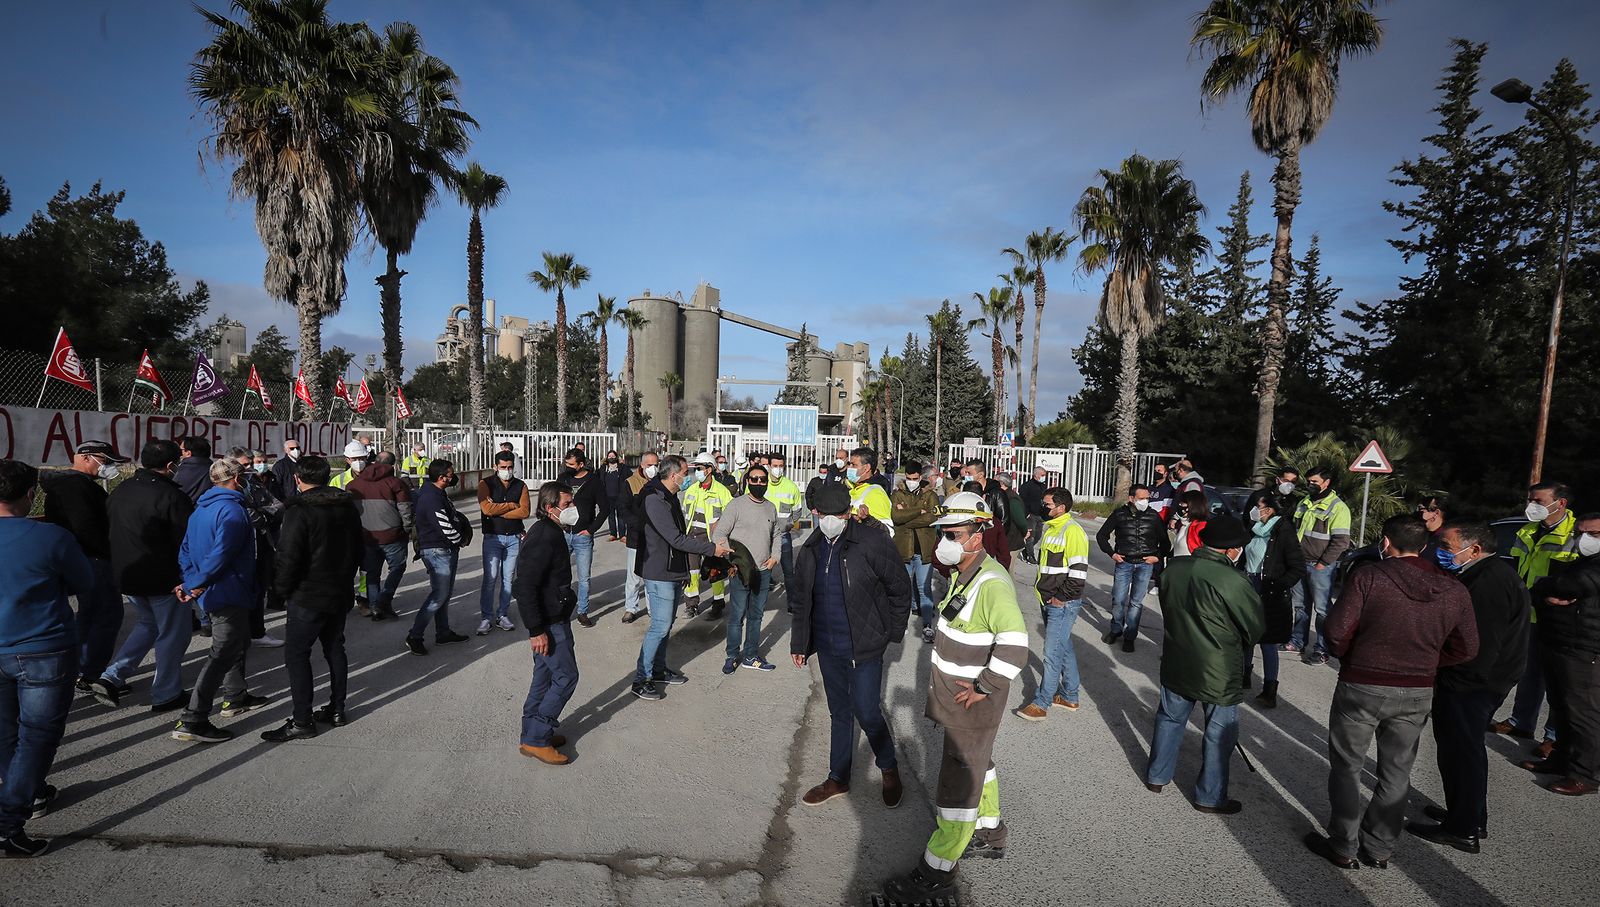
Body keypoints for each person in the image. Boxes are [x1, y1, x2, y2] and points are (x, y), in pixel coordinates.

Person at [1306, 515, 1477, 871]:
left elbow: (1336, 632)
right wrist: (1427, 662)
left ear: (1385, 542)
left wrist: (1354, 656)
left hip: (1363, 684)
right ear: (1425, 547)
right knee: (1397, 771)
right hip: (1416, 689)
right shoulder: (1453, 588)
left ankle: (1343, 844)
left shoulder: (1369, 577)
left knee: (1347, 766)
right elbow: (1467, 647)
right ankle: (1380, 847)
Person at [881, 491, 1026, 902]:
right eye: (943, 532)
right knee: (981, 762)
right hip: (958, 701)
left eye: (955, 533)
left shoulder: (992, 583)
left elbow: (1016, 647)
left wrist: (983, 687)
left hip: (972, 704)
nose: (945, 541)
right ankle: (989, 829)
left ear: (978, 536)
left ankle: (937, 870)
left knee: (958, 782)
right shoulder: (966, 573)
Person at [1405, 521, 1528, 851]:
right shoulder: (1481, 574)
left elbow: (1479, 646)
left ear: (1474, 549)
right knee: (1462, 750)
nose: (1441, 552)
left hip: (1472, 682)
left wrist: (1451, 678)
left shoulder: (1486, 583)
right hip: (1477, 679)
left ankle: (1463, 828)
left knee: (1462, 751)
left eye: (1447, 546)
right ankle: (1468, 815)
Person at [792, 481, 912, 808]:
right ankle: (838, 777)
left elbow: (900, 590)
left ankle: (888, 767)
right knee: (839, 711)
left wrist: (891, 634)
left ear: (847, 514)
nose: (828, 519)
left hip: (864, 645)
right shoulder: (812, 548)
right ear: (815, 514)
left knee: (867, 710)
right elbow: (801, 600)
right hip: (829, 647)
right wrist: (799, 642)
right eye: (822, 514)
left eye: (836, 514)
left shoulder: (872, 542)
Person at [0, 459, 93, 857]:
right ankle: (8, 823)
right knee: (37, 736)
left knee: (6, 730)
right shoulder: (50, 538)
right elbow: (84, 583)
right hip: (43, 647)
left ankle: (29, 790)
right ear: (29, 494)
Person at [1142, 516, 1263, 814]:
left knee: (1169, 718)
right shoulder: (1234, 580)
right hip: (1218, 666)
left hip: (1178, 655)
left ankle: (1157, 776)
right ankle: (1209, 796)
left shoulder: (1174, 569)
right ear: (1232, 550)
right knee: (1218, 731)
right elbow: (1255, 628)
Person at [260, 455, 364, 742]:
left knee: (297, 654)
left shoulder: (299, 511)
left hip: (308, 595)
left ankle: (302, 719)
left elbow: (288, 556)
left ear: (296, 479)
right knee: (334, 648)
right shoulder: (346, 506)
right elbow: (359, 547)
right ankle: (337, 709)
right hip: (339, 590)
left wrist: (280, 593)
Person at [87, 441, 193, 712]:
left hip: (128, 574)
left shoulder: (122, 490)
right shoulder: (171, 497)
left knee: (148, 626)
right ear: (171, 466)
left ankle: (112, 676)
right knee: (173, 635)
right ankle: (167, 693)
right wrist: (187, 577)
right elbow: (185, 541)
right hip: (165, 579)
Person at [171, 458, 270, 743]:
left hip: (213, 591)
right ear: (237, 480)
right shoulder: (234, 512)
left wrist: (192, 582)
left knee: (237, 643)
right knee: (223, 652)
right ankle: (193, 718)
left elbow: (186, 550)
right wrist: (194, 584)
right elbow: (221, 555)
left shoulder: (200, 510)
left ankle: (236, 695)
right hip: (228, 591)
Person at [1491, 481, 1579, 759]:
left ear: (1560, 503)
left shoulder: (1576, 534)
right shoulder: (1527, 530)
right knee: (1528, 673)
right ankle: (1521, 723)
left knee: (1557, 680)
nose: (1532, 506)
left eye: (1539, 501)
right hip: (1528, 614)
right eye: (1531, 500)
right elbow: (1516, 568)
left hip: (1560, 619)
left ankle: (1552, 736)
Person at [633, 455, 729, 700]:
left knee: (666, 626)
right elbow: (675, 539)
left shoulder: (670, 497)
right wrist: (711, 549)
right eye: (685, 472)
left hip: (672, 570)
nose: (688, 477)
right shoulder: (654, 499)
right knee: (660, 626)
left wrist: (685, 570)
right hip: (658, 571)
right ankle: (641, 679)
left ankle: (658, 669)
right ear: (673, 474)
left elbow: (679, 537)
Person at [1522, 512, 1600, 796]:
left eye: (1593, 534)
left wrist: (1546, 587)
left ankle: (1586, 775)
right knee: (1561, 708)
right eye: (1580, 533)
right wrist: (1546, 590)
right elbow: (1545, 587)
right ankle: (1561, 759)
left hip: (1584, 649)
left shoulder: (1592, 569)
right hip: (1559, 642)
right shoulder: (1580, 562)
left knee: (1584, 714)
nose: (1583, 540)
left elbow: (1567, 586)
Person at [40, 440, 126, 694]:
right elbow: (86, 528)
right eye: (106, 461)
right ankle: (92, 674)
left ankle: (80, 669)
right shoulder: (75, 488)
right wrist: (107, 552)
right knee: (106, 614)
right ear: (86, 458)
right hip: (93, 559)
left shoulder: (74, 486)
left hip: (83, 558)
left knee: (89, 616)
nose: (108, 467)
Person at [515, 482, 580, 766]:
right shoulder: (543, 536)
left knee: (543, 676)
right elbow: (525, 586)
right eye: (567, 505)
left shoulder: (552, 532)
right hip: (549, 623)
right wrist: (536, 631)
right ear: (549, 508)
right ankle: (538, 736)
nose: (572, 510)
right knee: (566, 677)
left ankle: (531, 731)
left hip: (554, 617)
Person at [1016, 487, 1090, 719]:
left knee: (1051, 653)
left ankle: (1042, 702)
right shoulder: (1052, 529)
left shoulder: (1072, 531)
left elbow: (1078, 574)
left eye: (1047, 505)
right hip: (1048, 600)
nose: (1043, 507)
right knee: (1063, 647)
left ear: (1061, 507)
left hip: (1061, 603)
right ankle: (1069, 695)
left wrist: (1060, 599)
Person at [713, 464, 784, 673]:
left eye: (763, 479)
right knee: (737, 616)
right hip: (740, 572)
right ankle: (732, 655)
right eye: (754, 479)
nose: (759, 483)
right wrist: (731, 560)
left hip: (763, 571)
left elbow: (777, 534)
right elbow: (719, 535)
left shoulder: (770, 507)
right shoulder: (736, 505)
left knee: (756, 616)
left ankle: (751, 655)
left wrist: (775, 557)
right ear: (747, 481)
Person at [1242, 493, 1306, 709]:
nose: (1253, 509)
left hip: (1271, 591)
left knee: (1268, 642)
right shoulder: (1253, 529)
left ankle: (1269, 690)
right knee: (1246, 635)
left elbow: (1297, 567)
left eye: (1257, 506)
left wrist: (1277, 585)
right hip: (1249, 585)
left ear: (1268, 510)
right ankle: (1243, 676)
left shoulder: (1283, 531)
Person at [1287, 465, 1353, 666]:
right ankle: (1298, 641)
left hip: (1320, 566)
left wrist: (1323, 564)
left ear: (1326, 483)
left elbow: (1341, 541)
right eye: (1309, 481)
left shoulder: (1338, 507)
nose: (1310, 485)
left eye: (1314, 482)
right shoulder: (1304, 502)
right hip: (1299, 563)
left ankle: (1322, 649)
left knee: (1323, 609)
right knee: (1300, 606)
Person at [405, 459, 472, 655]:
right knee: (439, 595)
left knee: (444, 594)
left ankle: (443, 632)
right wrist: (459, 539)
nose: (454, 477)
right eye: (451, 474)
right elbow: (444, 525)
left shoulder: (437, 493)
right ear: (442, 477)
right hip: (437, 551)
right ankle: (415, 635)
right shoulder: (431, 497)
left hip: (444, 549)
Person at [1095, 484, 1171, 652]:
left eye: (1147, 498)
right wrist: (1112, 554)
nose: (1145, 501)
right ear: (1131, 498)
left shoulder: (1154, 516)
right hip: (1124, 563)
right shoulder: (1119, 514)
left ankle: (1130, 636)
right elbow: (1101, 536)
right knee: (1119, 599)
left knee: (1136, 602)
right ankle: (1116, 630)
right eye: (1142, 498)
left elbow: (1165, 543)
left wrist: (1156, 556)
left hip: (1145, 565)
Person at [347, 449, 414, 622]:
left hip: (366, 537)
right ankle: (384, 600)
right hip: (393, 536)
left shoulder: (353, 485)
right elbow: (406, 509)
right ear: (393, 465)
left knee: (370, 573)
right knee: (397, 567)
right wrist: (407, 529)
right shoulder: (396, 483)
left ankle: (375, 605)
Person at [229, 446, 285, 648]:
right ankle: (236, 634)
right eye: (246, 464)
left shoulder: (253, 484)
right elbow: (243, 515)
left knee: (259, 589)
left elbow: (277, 506)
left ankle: (256, 632)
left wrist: (260, 512)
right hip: (239, 548)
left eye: (252, 463)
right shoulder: (225, 487)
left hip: (263, 544)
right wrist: (256, 514)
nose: (252, 467)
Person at [477, 451, 530, 635]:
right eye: (503, 467)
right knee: (490, 579)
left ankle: (503, 614)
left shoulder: (521, 485)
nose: (507, 471)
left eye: (510, 467)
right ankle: (486, 617)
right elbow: (486, 508)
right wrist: (510, 505)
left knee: (508, 579)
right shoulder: (486, 484)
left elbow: (524, 512)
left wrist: (497, 509)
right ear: (495, 467)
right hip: (493, 537)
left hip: (514, 538)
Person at [891, 461, 940, 644]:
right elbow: (895, 517)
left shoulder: (931, 495)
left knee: (924, 588)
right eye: (909, 478)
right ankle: (901, 624)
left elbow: (932, 517)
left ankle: (927, 626)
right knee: (903, 589)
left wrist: (906, 519)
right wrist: (918, 511)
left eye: (915, 478)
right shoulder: (897, 494)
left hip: (923, 549)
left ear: (921, 477)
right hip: (903, 548)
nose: (912, 481)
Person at [561, 449, 610, 628]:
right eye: (566, 464)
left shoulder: (594, 482)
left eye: (571, 464)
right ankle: (561, 610)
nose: (568, 467)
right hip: (563, 534)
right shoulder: (563, 479)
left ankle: (582, 611)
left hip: (583, 537)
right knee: (559, 574)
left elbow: (605, 508)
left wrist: (591, 530)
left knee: (584, 578)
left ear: (581, 464)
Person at [682, 452, 732, 619]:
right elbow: (685, 514)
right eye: (696, 468)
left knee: (715, 572)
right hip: (692, 537)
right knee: (692, 572)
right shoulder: (691, 490)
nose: (696, 471)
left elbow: (731, 516)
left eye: (699, 468)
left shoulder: (722, 492)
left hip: (713, 539)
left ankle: (718, 603)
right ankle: (691, 605)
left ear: (709, 470)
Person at [617, 452, 659, 623]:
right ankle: (630, 608)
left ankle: (652, 608)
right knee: (633, 577)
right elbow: (622, 508)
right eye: (649, 465)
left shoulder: (660, 482)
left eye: (656, 464)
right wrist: (637, 524)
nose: (653, 468)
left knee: (651, 575)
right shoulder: (630, 483)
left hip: (655, 538)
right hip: (636, 536)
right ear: (642, 465)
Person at [960, 459, 1011, 568]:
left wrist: (992, 541)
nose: (966, 476)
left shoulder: (996, 493)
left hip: (988, 547)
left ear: (980, 475)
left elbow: (1004, 521)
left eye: (969, 473)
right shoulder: (965, 490)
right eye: (966, 473)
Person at [765, 452, 804, 594]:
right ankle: (759, 605)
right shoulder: (761, 483)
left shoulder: (791, 487)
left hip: (783, 536)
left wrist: (788, 524)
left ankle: (792, 603)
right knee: (762, 570)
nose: (778, 469)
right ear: (769, 466)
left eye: (781, 466)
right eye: (775, 466)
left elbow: (797, 511)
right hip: (762, 536)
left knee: (788, 570)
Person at [846, 447, 893, 534]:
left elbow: (888, 531)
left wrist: (867, 519)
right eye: (849, 464)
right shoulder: (852, 486)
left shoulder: (875, 493)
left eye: (854, 465)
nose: (849, 467)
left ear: (867, 468)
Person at [804, 446, 851, 511]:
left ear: (847, 458)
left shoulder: (852, 471)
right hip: (831, 507)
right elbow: (825, 488)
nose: (838, 460)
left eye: (841, 458)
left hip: (846, 507)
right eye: (837, 458)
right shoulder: (831, 469)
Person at [1019, 467, 1048, 564]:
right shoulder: (1026, 486)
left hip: (1040, 515)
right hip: (1030, 515)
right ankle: (1030, 556)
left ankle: (1025, 549)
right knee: (1030, 536)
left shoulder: (1043, 486)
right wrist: (1025, 513)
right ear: (1036, 475)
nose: (1044, 477)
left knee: (1038, 536)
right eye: (1042, 475)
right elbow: (1022, 501)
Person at [173, 435, 212, 501]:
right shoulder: (214, 469)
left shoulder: (181, 471)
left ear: (188, 453)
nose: (180, 453)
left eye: (181, 450)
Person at [601, 450, 629, 542]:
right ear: (607, 458)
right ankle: (613, 534)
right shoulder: (603, 468)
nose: (611, 458)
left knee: (621, 516)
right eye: (610, 456)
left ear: (617, 457)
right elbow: (597, 479)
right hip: (607, 496)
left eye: (613, 456)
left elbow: (630, 477)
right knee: (611, 515)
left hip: (620, 496)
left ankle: (622, 535)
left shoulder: (623, 468)